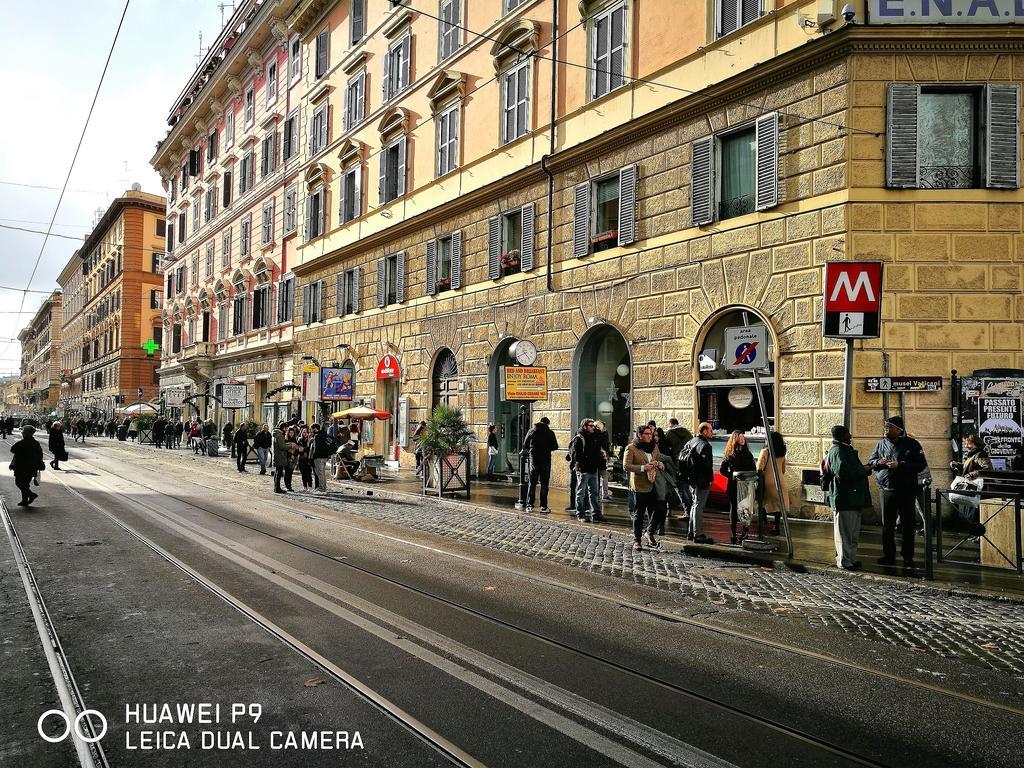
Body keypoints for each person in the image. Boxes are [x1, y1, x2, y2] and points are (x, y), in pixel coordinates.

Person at [867, 415, 927, 569]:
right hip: (886, 489)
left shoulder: (912, 444)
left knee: (907, 525)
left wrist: (900, 465)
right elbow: (871, 462)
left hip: (906, 490)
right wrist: (880, 462)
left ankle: (908, 556)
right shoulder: (881, 444)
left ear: (898, 429)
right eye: (885, 427)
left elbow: (920, 465)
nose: (885, 430)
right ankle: (888, 555)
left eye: (889, 428)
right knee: (887, 525)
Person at [825, 425, 871, 570]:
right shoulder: (838, 451)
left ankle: (850, 559)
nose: (850, 436)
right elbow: (844, 473)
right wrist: (863, 470)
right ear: (842, 435)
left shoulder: (845, 450)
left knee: (852, 534)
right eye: (847, 434)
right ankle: (844, 561)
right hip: (844, 498)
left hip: (853, 498)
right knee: (844, 534)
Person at [624, 424, 666, 551]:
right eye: (647, 434)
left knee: (660, 509)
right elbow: (626, 466)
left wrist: (659, 463)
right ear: (640, 435)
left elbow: (659, 458)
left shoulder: (654, 447)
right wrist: (643, 468)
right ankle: (637, 540)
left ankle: (649, 532)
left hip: (654, 483)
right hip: (640, 485)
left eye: (650, 433)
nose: (649, 436)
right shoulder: (631, 448)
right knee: (639, 514)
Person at [680, 423, 715, 544]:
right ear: (704, 431)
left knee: (694, 505)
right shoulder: (705, 445)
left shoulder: (692, 441)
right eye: (710, 430)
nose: (712, 432)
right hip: (701, 480)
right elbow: (707, 466)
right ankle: (698, 534)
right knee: (698, 506)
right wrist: (710, 479)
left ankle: (691, 532)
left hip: (692, 479)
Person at [720, 431, 756, 544]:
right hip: (733, 485)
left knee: (745, 508)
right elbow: (722, 470)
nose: (742, 439)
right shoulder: (730, 454)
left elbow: (753, 469)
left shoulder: (748, 454)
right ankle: (733, 532)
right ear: (735, 439)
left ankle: (745, 530)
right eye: (740, 438)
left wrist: (747, 476)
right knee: (734, 509)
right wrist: (731, 476)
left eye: (743, 438)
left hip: (745, 485)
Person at [948, 433, 992, 523]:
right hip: (970, 489)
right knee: (969, 514)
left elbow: (988, 468)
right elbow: (968, 467)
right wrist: (958, 465)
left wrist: (973, 474)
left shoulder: (980, 454)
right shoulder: (972, 454)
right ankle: (974, 534)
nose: (966, 446)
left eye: (968, 444)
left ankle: (978, 535)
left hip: (976, 489)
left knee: (974, 515)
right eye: (965, 443)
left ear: (975, 443)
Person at [570, 418, 607, 523]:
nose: (593, 428)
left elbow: (598, 448)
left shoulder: (594, 436)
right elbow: (576, 456)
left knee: (594, 492)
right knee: (581, 493)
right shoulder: (579, 438)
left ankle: (596, 513)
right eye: (591, 426)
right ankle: (580, 514)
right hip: (584, 470)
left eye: (593, 426)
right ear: (585, 426)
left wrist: (601, 456)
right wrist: (582, 468)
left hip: (593, 469)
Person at [523, 416, 558, 514]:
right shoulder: (550, 433)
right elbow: (555, 446)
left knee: (532, 483)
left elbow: (525, 444)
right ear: (547, 424)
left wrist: (532, 449)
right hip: (546, 460)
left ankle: (529, 505)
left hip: (534, 460)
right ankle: (543, 506)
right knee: (544, 484)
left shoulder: (532, 431)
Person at [756, 431, 789, 535]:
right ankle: (776, 526)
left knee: (762, 502)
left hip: (767, 481)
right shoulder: (782, 452)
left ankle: (763, 524)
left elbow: (759, 468)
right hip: (780, 481)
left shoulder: (765, 451)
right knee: (778, 506)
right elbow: (783, 469)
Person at [663, 418, 693, 514]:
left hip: (676, 464)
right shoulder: (688, 433)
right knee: (686, 488)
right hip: (688, 464)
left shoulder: (669, 434)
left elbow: (666, 449)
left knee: (679, 488)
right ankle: (691, 510)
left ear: (670, 424)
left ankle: (688, 511)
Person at [9, 425, 45, 506]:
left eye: (23, 432)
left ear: (26, 433)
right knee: (25, 483)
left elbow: (12, 449)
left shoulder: (22, 443)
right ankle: (25, 500)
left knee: (19, 483)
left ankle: (31, 494)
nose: (22, 433)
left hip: (21, 467)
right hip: (32, 467)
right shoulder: (36, 443)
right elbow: (40, 454)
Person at [311, 423, 333, 492]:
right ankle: (323, 487)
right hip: (325, 456)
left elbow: (316, 448)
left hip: (319, 457)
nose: (311, 431)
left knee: (320, 473)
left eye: (312, 429)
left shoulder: (317, 436)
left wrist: (313, 456)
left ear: (315, 429)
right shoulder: (325, 435)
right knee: (322, 472)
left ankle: (322, 488)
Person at [272, 422, 290, 493]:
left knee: (278, 472)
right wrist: (290, 445)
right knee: (279, 473)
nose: (287, 430)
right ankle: (277, 488)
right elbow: (282, 446)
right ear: (283, 428)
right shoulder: (279, 435)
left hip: (278, 455)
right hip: (280, 456)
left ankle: (276, 487)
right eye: (286, 428)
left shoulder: (277, 434)